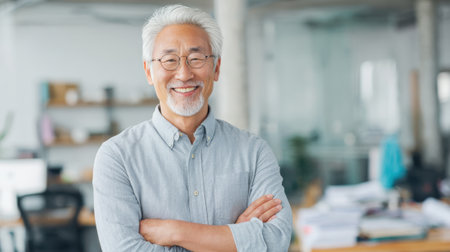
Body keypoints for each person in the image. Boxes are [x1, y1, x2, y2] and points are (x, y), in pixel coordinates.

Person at [93, 4, 292, 252]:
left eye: (196, 58)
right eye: (169, 60)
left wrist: (176, 232)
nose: (184, 74)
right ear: (149, 71)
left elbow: (276, 241)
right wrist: (235, 239)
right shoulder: (117, 157)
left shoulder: (254, 152)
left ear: (216, 68)